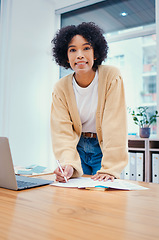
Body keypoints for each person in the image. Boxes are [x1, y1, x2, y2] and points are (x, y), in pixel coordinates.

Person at [50, 22, 128, 182]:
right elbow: (62, 131)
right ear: (66, 56)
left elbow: (114, 123)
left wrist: (111, 168)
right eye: (72, 50)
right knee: (76, 199)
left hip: (103, 148)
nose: (79, 55)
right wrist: (67, 163)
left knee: (104, 198)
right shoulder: (60, 87)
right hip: (76, 149)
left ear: (95, 53)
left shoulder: (111, 76)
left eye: (86, 48)